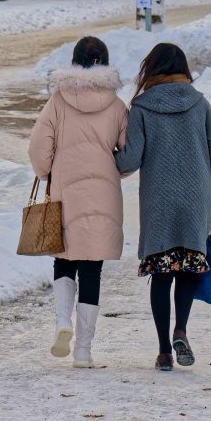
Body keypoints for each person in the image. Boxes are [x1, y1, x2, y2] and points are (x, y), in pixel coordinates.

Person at [116, 43, 211, 371]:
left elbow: (130, 159)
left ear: (152, 68)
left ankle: (163, 351)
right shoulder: (199, 103)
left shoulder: (142, 107)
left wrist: (109, 157)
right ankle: (181, 329)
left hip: (158, 202)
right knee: (189, 267)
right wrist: (209, 191)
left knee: (162, 274)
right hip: (195, 198)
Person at [28, 36, 127, 368]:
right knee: (92, 267)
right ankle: (83, 350)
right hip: (103, 195)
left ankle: (62, 323)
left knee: (64, 259)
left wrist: (47, 171)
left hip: (66, 192)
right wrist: (112, 170)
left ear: (74, 63)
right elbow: (128, 154)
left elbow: (39, 148)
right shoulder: (116, 106)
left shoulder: (58, 101)